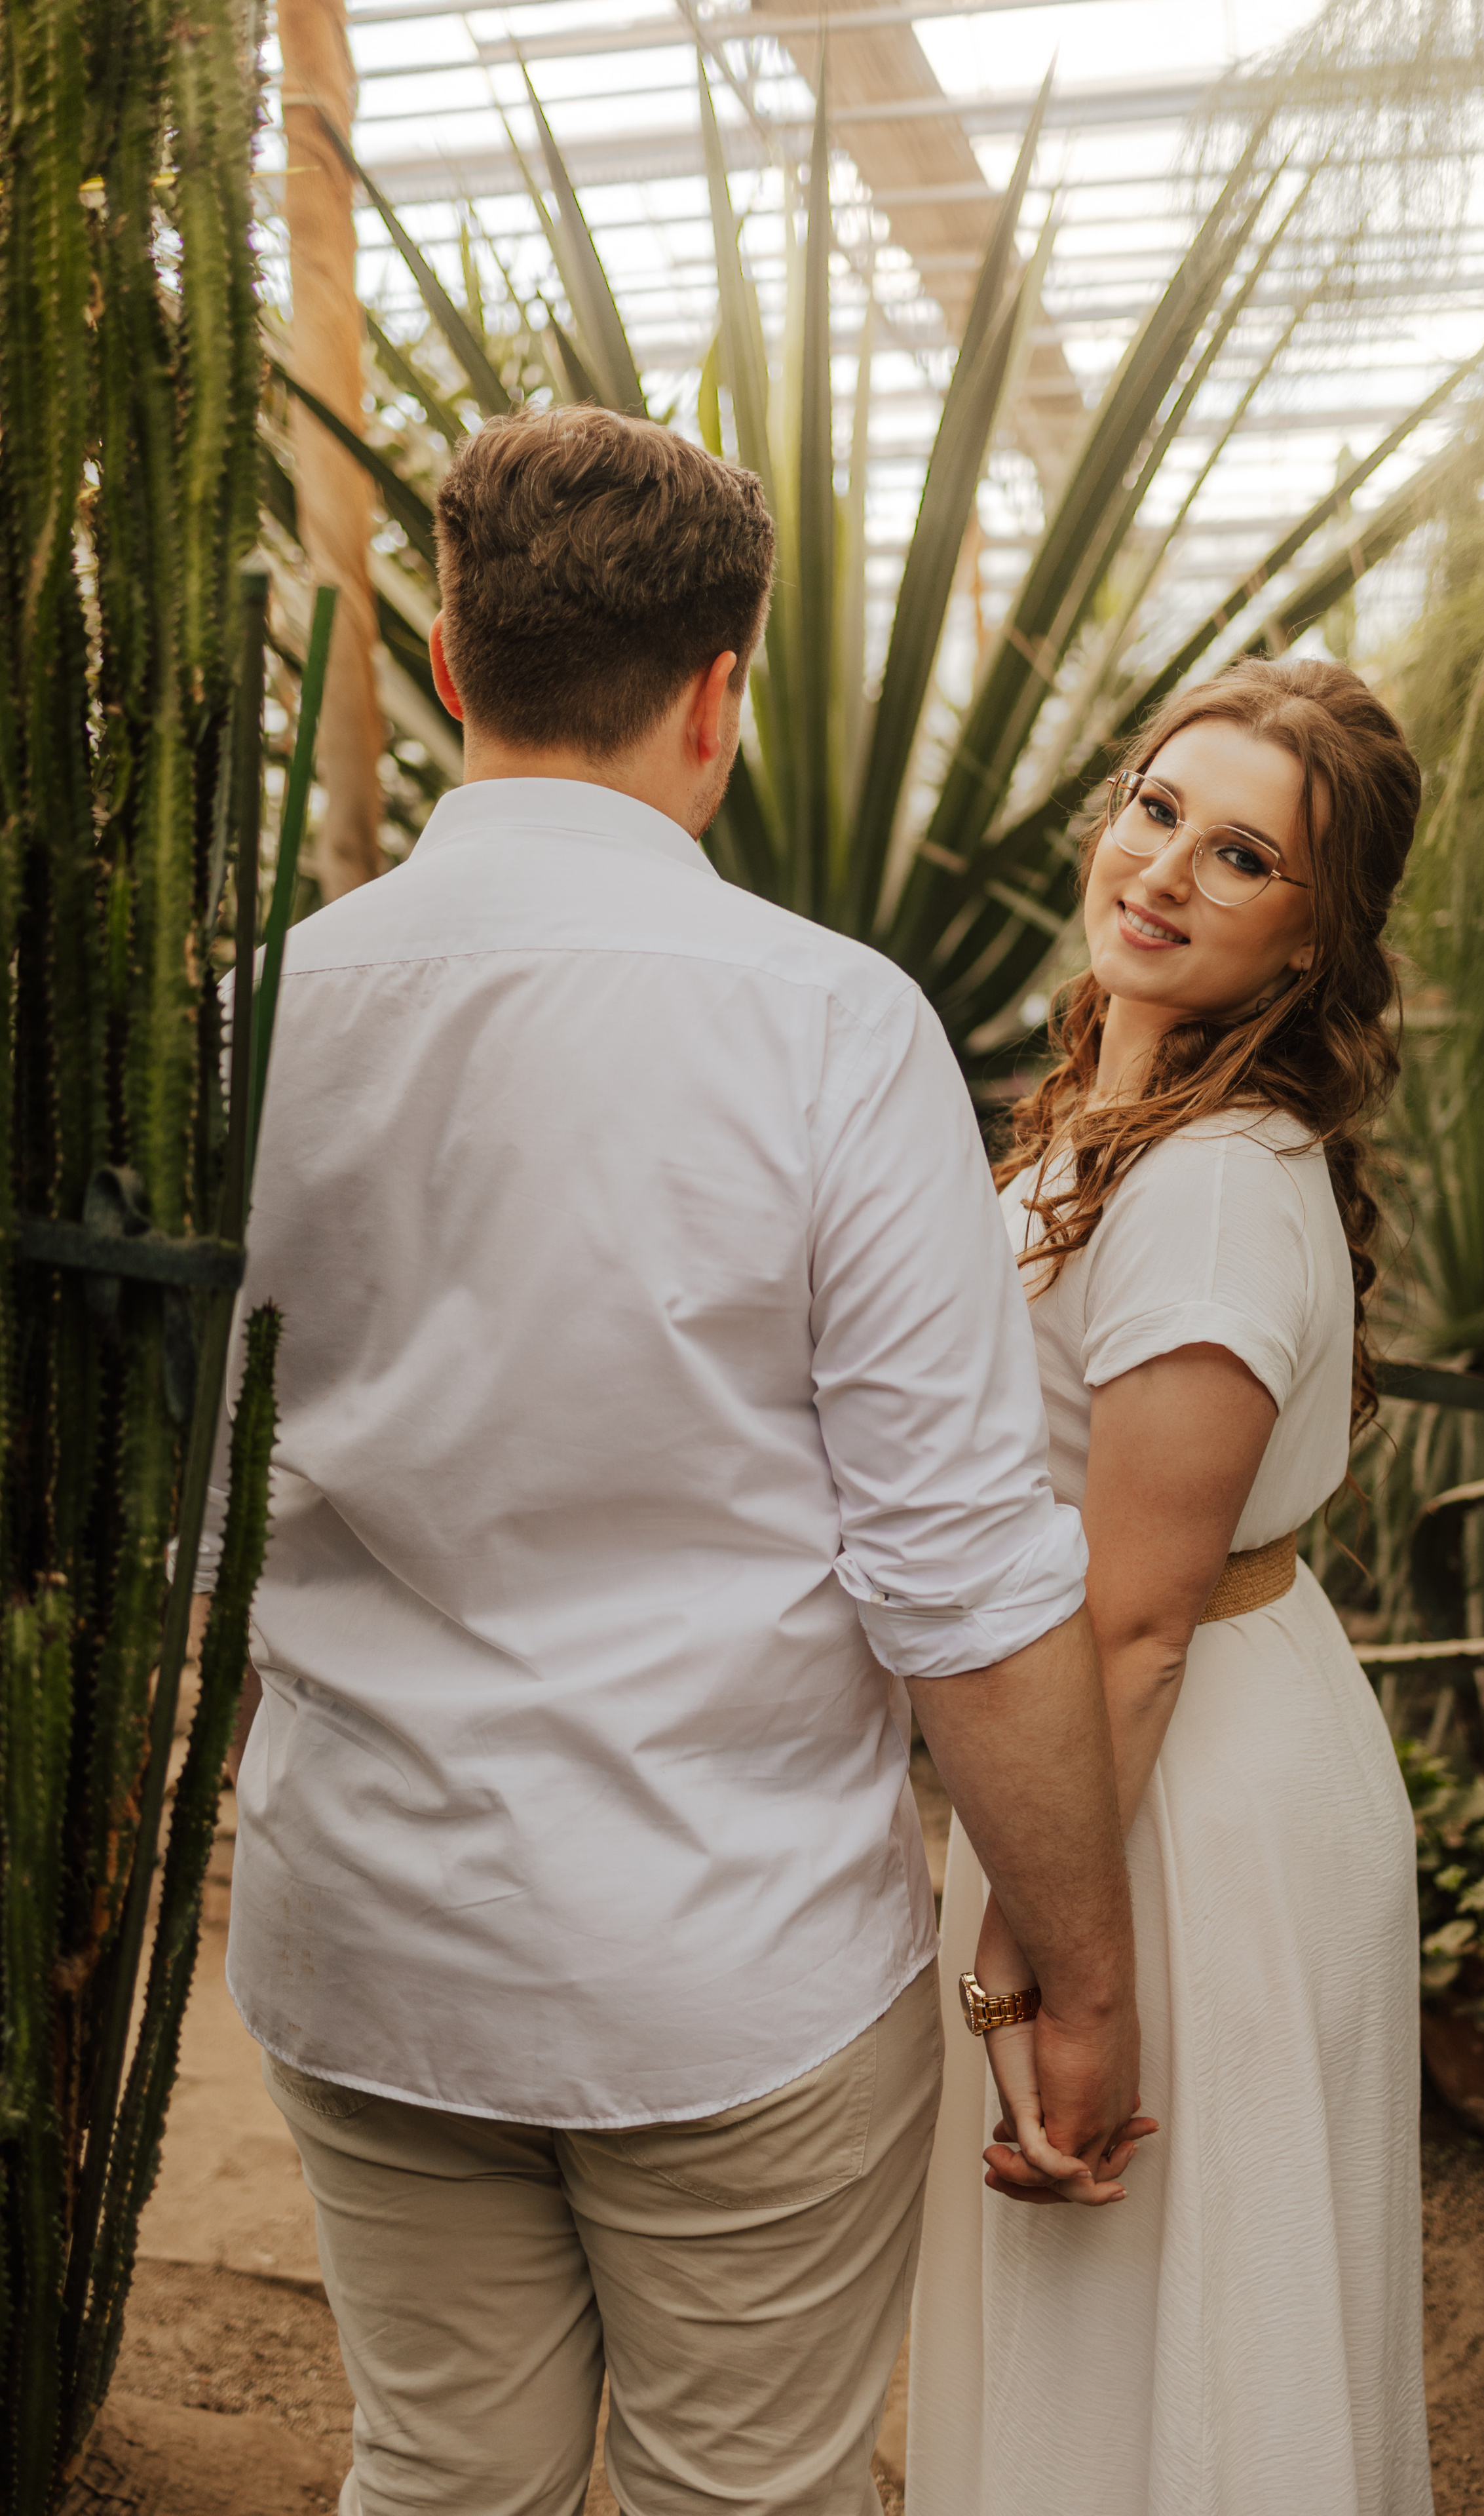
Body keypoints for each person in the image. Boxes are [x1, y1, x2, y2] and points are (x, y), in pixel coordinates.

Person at [208, 404, 1145, 2516]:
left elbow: (192, 1515)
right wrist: (1074, 1984)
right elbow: (965, 1583)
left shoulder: (258, 1011)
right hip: (727, 1967)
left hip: (367, 1932)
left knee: (441, 2473)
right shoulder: (832, 1027)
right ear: (722, 692)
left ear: (450, 662)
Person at [906, 658, 1434, 2516]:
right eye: (1155, 811)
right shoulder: (1097, 1110)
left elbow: (1136, 1620)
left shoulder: (1206, 1182)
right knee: (1126, 2337)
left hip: (1176, 1790)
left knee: (1159, 2333)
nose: (1164, 871)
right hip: (1108, 1751)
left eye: (1242, 858)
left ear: (1311, 944)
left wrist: (1040, 1952)